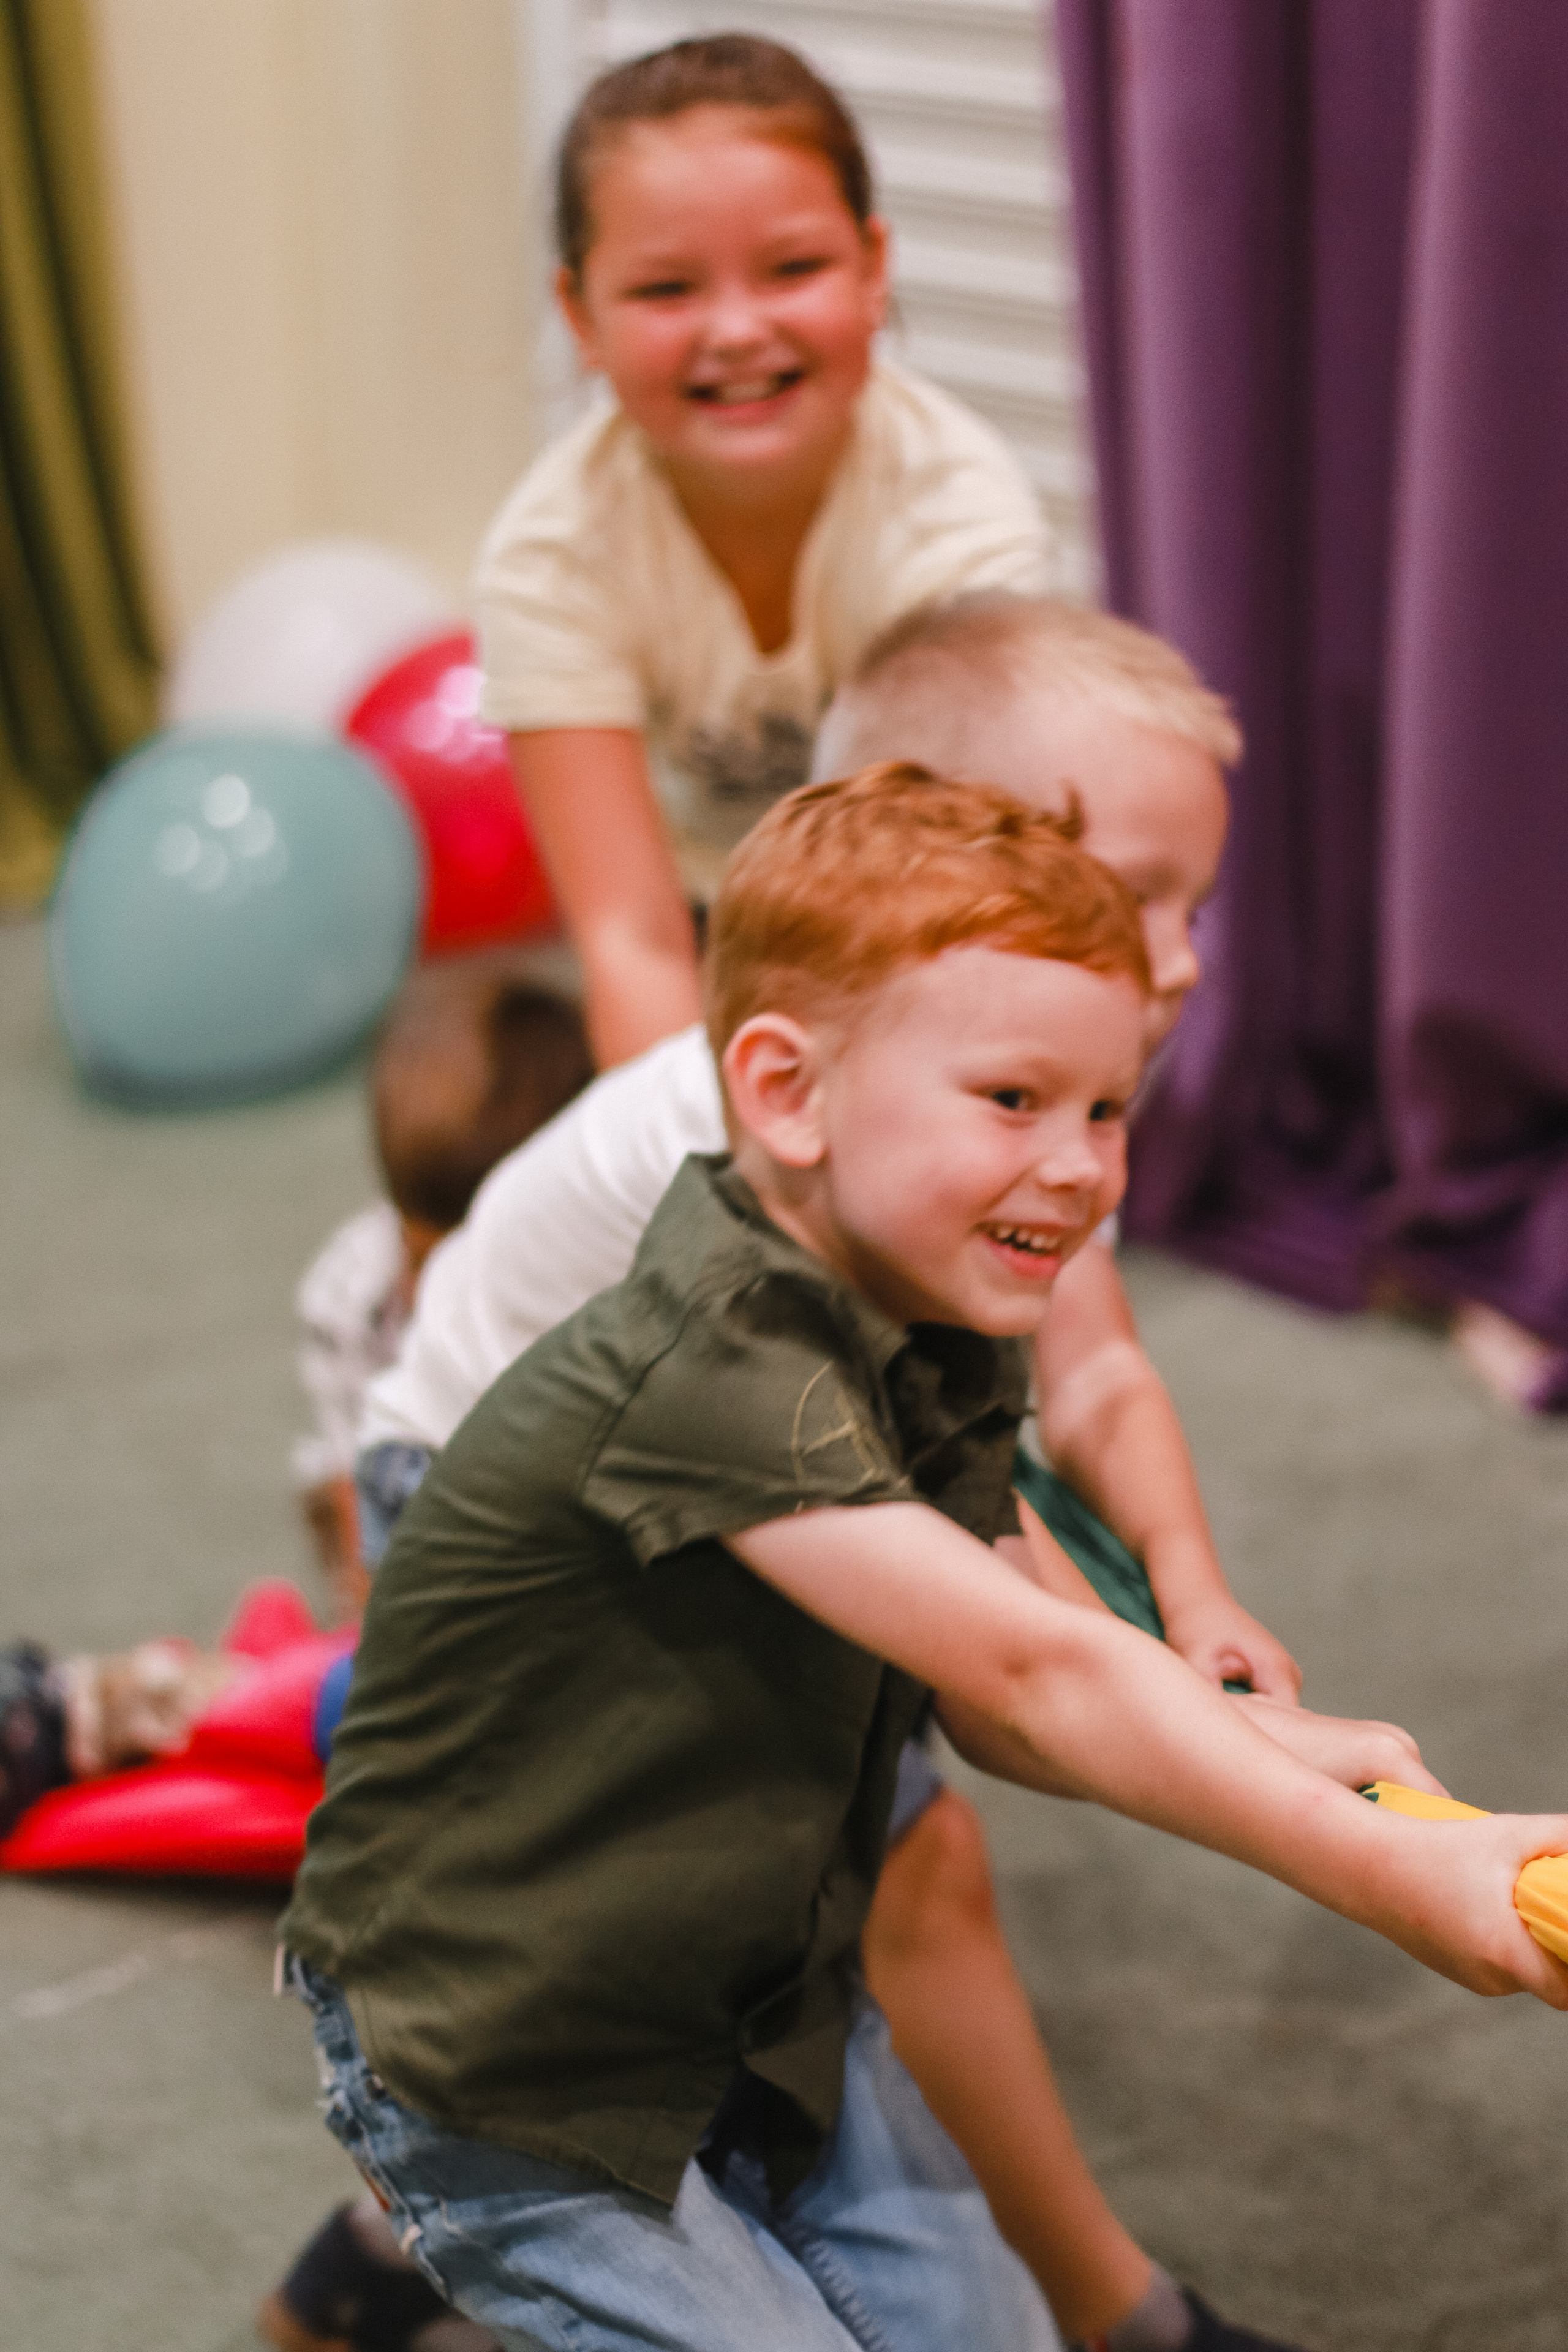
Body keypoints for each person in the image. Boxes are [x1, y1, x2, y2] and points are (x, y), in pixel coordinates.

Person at [276, 767, 1568, 2352]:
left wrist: (1278, 1748)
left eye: (1106, 1109)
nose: (1082, 1166)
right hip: (511, 2054)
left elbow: (1011, 1679)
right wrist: (1388, 1880)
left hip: (759, 1997)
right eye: (1015, 1100)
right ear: (785, 1092)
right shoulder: (714, 1355)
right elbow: (1034, 1674)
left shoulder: (935, 1322)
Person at [477, 33, 1054, 1066]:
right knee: (452, 1081)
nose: (737, 330)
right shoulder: (552, 556)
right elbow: (631, 939)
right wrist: (697, 1160)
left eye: (793, 269)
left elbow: (953, 915)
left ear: (873, 271)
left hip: (923, 928)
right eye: (667, 289)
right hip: (703, 926)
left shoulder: (959, 522)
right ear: (581, 317)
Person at [0, 962, 592, 1832]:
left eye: (465, 1266)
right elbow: (365, 1526)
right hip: (412, 1564)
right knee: (352, 1709)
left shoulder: (587, 1292)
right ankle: (87, 1709)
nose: (434, 1295)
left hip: (549, 1587)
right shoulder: (354, 1291)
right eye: (419, 1258)